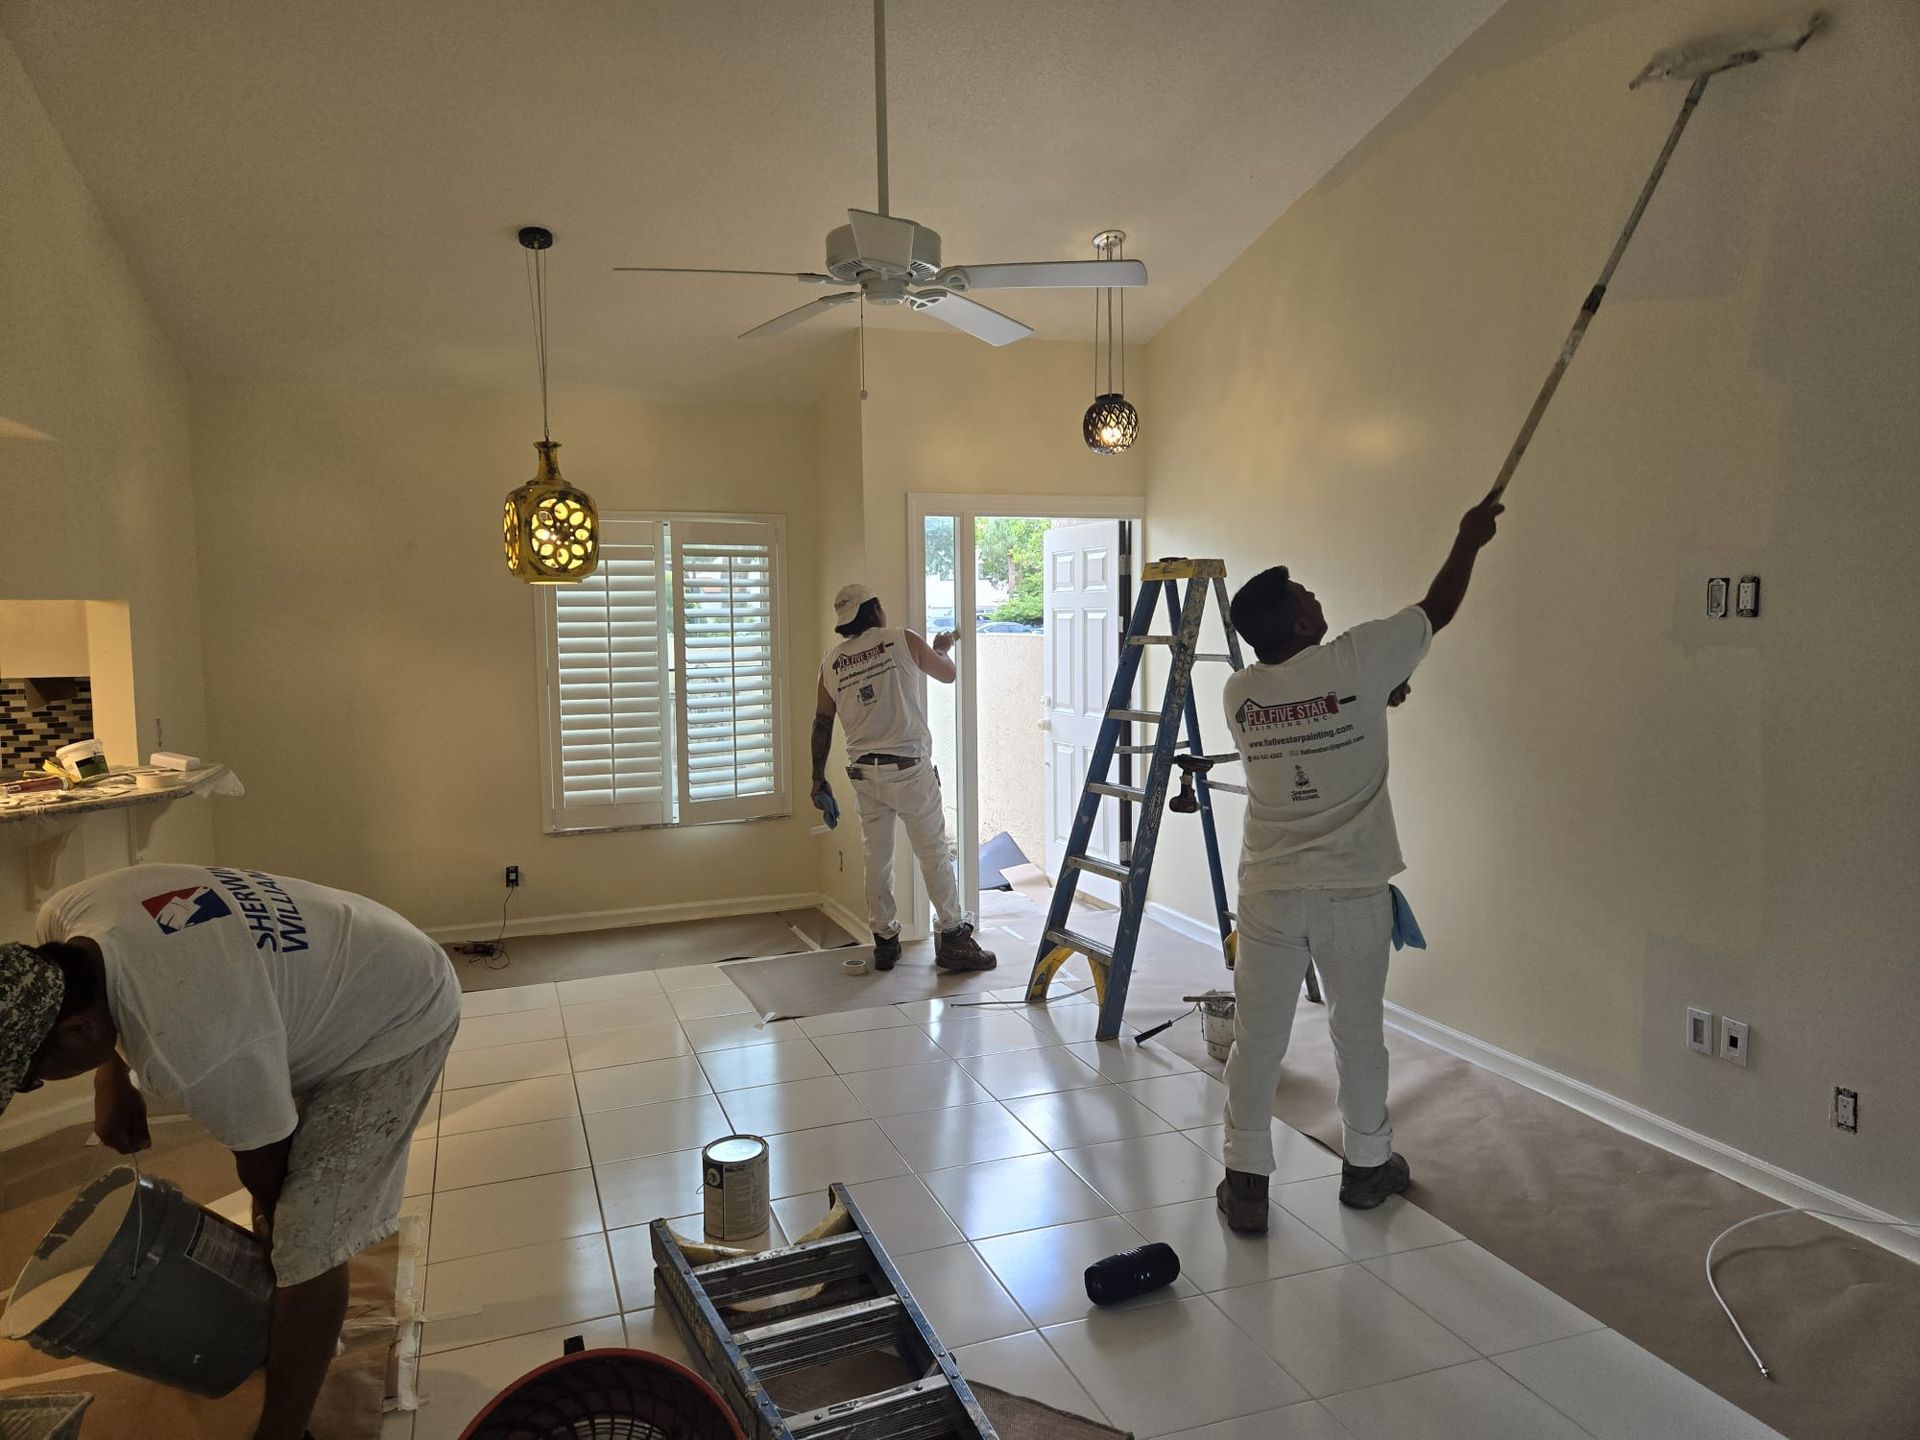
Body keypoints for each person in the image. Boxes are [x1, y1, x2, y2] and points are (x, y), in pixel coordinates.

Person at [0, 863, 461, 1440]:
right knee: (290, 1220)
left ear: (80, 1031)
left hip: (399, 1009)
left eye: (31, 1078)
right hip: (344, 957)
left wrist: (277, 1229)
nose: (37, 1085)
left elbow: (268, 1159)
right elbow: (105, 1012)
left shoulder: (197, 1043)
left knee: (308, 1237)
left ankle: (282, 1430)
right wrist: (111, 1079)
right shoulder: (67, 918)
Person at [1215, 497, 1504, 1232]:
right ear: (1306, 623)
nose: (1317, 596)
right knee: (1357, 1031)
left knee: (1258, 1037)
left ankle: (1246, 1181)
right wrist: (1468, 538)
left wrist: (1373, 696)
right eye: (1308, 595)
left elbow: (1321, 712)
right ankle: (1368, 1166)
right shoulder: (1357, 659)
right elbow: (1436, 608)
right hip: (1350, 892)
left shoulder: (1240, 693)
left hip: (1271, 893)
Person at [812, 583, 996, 972]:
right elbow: (947, 674)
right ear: (875, 608)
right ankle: (953, 939)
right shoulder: (902, 640)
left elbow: (822, 722)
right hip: (908, 770)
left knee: (876, 859)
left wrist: (818, 779)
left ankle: (884, 940)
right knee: (933, 853)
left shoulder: (831, 663)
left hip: (863, 773)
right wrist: (942, 646)